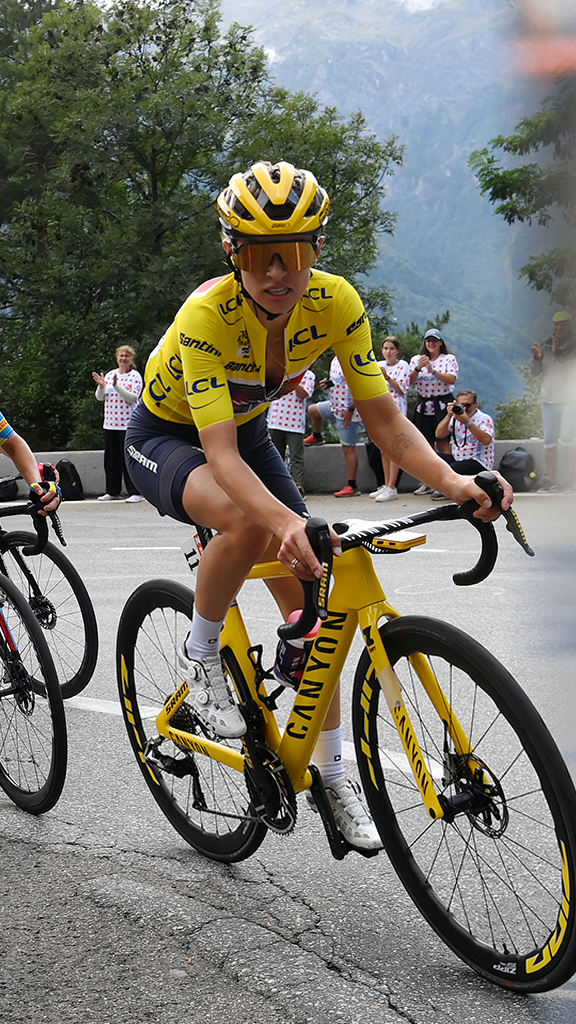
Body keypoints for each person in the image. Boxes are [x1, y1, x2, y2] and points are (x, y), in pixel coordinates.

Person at [124, 161, 510, 853]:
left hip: (244, 435)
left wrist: (457, 481)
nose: (279, 272)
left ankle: (333, 773)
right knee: (250, 521)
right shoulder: (206, 316)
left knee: (318, 601)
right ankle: (202, 652)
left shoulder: (336, 302)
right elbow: (219, 460)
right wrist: (286, 522)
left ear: (319, 252)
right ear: (232, 254)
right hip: (168, 437)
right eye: (260, 255)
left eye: (296, 253)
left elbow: (388, 425)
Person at [530, 311, 576, 491]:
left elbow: (571, 366)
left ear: (569, 326)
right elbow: (534, 371)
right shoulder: (544, 344)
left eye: (563, 325)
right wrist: (537, 358)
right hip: (549, 399)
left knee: (567, 438)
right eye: (556, 325)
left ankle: (570, 481)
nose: (559, 328)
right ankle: (551, 479)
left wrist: (557, 349)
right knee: (549, 441)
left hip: (570, 398)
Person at [93, 345, 144, 501]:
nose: (123, 359)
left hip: (128, 424)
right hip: (111, 423)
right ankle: (112, 490)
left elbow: (132, 397)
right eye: (121, 356)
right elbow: (100, 397)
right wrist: (102, 386)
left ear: (131, 359)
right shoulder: (110, 375)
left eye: (126, 356)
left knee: (129, 458)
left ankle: (136, 491)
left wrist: (116, 386)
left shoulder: (135, 376)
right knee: (112, 459)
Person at [369, 337, 412, 502]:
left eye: (391, 349)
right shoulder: (378, 364)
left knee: (394, 449)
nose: (388, 352)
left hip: (396, 410)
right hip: (380, 410)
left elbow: (402, 390)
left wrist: (387, 377)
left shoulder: (403, 366)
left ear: (397, 351)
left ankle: (392, 486)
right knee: (384, 448)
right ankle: (386, 484)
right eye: (385, 348)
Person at [410, 328, 458, 467]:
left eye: (434, 341)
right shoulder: (416, 360)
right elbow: (409, 381)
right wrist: (418, 368)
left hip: (442, 403)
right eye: (428, 341)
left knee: (443, 442)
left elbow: (452, 378)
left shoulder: (448, 359)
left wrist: (433, 371)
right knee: (426, 444)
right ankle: (429, 480)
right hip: (423, 404)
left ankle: (449, 474)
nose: (431, 344)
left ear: (440, 343)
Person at [265, 367, 316, 494]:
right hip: (275, 420)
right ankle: (275, 484)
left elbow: (303, 394)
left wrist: (293, 379)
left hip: (294, 422)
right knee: (275, 454)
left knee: (296, 455)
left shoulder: (308, 375)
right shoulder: (277, 373)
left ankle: (299, 485)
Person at [323, 357, 362, 496]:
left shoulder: (354, 360)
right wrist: (328, 383)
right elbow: (339, 382)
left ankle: (352, 485)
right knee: (313, 410)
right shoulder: (334, 360)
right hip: (334, 406)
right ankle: (316, 435)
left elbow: (361, 387)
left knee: (349, 448)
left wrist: (350, 410)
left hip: (348, 411)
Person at [434, 389, 495, 477]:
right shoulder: (456, 418)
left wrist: (468, 422)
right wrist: (449, 415)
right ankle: (431, 485)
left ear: (475, 405)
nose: (465, 408)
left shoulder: (484, 419)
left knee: (454, 468)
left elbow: (486, 440)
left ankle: (444, 489)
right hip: (458, 459)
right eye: (461, 404)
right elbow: (439, 434)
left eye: (468, 405)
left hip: (479, 462)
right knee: (432, 459)